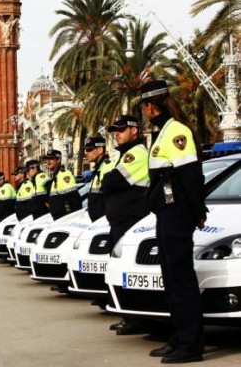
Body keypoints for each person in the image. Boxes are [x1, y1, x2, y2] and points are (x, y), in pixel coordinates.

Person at [140, 80, 206, 363]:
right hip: (166, 214)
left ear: (150, 106)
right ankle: (179, 336)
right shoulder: (163, 132)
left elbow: (190, 175)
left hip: (178, 214)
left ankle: (191, 345)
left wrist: (198, 211)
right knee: (170, 279)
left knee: (181, 280)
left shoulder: (177, 131)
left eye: (143, 107)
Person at [100, 116, 151, 335]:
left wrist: (109, 182)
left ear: (134, 130)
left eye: (121, 130)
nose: (116, 134)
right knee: (120, 271)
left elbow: (111, 181)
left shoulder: (137, 154)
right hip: (121, 223)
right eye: (114, 131)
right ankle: (129, 317)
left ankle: (135, 320)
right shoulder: (123, 155)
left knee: (127, 273)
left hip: (131, 223)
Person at [42, 149, 81, 220]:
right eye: (47, 159)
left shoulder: (64, 174)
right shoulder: (55, 177)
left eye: (51, 158)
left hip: (65, 220)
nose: (48, 161)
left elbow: (74, 200)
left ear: (58, 160)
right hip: (58, 219)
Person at [83, 136, 116, 222]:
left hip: (104, 221)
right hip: (97, 221)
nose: (86, 153)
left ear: (100, 150)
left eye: (90, 150)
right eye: (86, 150)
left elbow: (111, 199)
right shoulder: (98, 168)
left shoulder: (108, 167)